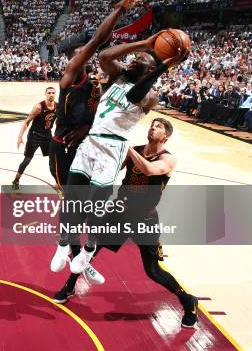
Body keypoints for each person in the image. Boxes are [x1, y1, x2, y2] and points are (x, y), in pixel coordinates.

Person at [52, 31, 190, 278]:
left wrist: (162, 66)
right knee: (72, 196)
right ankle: (63, 244)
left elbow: (133, 96)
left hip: (113, 148)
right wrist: (144, 44)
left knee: (95, 207)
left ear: (149, 72)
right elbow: (104, 55)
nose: (134, 61)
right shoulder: (117, 76)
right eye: (135, 59)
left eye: (141, 62)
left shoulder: (150, 96)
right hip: (91, 141)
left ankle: (87, 251)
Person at [53, 118, 199, 329]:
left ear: (166, 136)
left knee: (152, 270)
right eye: (152, 124)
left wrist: (126, 147)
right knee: (90, 250)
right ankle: (69, 286)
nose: (152, 127)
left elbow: (149, 169)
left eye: (158, 126)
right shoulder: (135, 150)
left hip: (144, 218)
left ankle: (188, 300)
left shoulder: (167, 159)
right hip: (120, 212)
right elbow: (110, 171)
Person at [49, 0, 148, 274]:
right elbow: (98, 45)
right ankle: (69, 247)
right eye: (80, 55)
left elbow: (104, 113)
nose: (86, 57)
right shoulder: (69, 79)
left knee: (94, 205)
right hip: (63, 146)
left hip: (93, 145)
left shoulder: (100, 85)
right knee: (72, 204)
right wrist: (120, 8)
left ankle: (85, 255)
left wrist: (88, 127)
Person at [12, 87, 57, 189]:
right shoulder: (39, 107)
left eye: (53, 93)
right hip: (34, 135)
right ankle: (16, 180)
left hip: (47, 135)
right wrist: (20, 136)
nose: (51, 94)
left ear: (55, 94)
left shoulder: (57, 107)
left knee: (53, 159)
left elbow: (57, 121)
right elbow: (27, 121)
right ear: (45, 94)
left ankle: (59, 183)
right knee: (28, 159)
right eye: (49, 93)